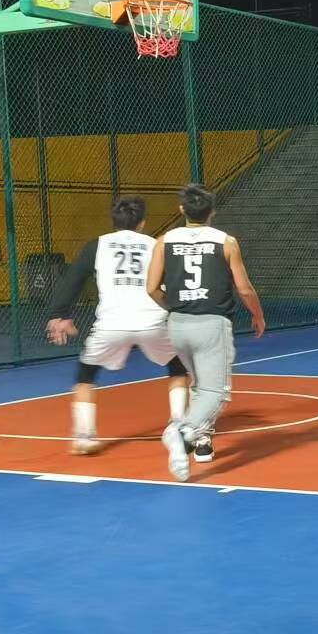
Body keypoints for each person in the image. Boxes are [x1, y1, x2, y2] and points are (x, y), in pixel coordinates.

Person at [45, 196, 190, 456]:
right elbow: (175, 281)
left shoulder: (97, 246)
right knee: (178, 367)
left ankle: (84, 437)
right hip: (152, 320)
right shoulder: (156, 245)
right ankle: (179, 425)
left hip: (111, 323)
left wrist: (59, 314)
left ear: (113, 221)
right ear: (142, 223)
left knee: (85, 375)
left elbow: (72, 280)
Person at [147, 184, 266, 482]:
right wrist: (257, 314)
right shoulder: (226, 242)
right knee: (216, 392)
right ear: (212, 211)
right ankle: (182, 432)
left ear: (182, 210)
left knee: (200, 386)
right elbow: (243, 288)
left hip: (177, 324)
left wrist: (174, 306)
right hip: (212, 323)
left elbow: (151, 288)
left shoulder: (164, 241)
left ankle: (199, 442)